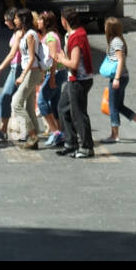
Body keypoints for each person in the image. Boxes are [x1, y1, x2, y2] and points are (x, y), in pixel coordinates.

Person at [102, 17, 136, 142]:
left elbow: (120, 60)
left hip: (119, 77)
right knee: (119, 106)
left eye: (106, 26)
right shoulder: (116, 40)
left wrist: (116, 79)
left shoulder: (116, 42)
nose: (104, 28)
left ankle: (114, 135)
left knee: (113, 106)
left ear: (110, 29)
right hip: (121, 76)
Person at [54, 9, 94, 158]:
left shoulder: (77, 37)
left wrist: (61, 59)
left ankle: (86, 147)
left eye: (62, 19)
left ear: (65, 20)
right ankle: (71, 143)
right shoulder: (72, 35)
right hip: (75, 79)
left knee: (78, 114)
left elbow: (74, 63)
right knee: (63, 108)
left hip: (79, 80)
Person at [11, 8, 45, 148]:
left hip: (32, 72)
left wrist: (22, 75)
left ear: (23, 20)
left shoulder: (31, 35)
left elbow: (31, 58)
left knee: (16, 103)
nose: (15, 21)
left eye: (17, 18)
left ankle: (32, 135)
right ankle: (34, 138)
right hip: (30, 71)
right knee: (29, 106)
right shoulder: (25, 35)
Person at [37, 10, 66, 146]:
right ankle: (61, 132)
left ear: (46, 23)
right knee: (55, 104)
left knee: (42, 101)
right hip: (56, 72)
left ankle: (55, 132)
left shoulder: (50, 37)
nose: (37, 22)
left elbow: (54, 57)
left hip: (56, 72)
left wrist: (52, 77)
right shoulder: (51, 35)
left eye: (40, 20)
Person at [0, 8, 21, 143]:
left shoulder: (20, 33)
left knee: (5, 96)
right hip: (15, 67)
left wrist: (0, 68)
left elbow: (12, 54)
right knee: (16, 99)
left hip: (18, 68)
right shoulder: (16, 33)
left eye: (7, 20)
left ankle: (3, 129)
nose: (5, 23)